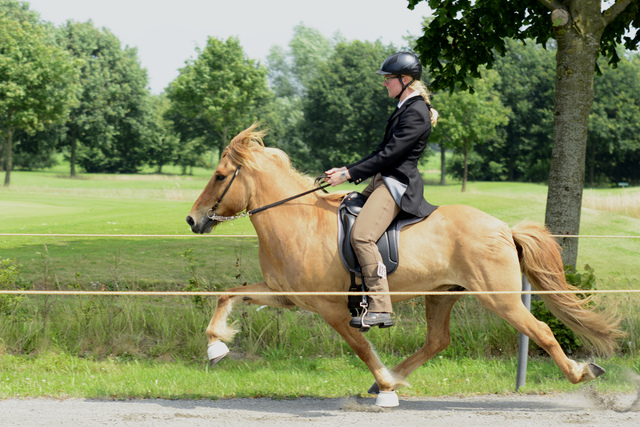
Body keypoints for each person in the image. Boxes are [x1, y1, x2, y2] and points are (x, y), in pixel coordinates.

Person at [324, 51, 439, 329]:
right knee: (343, 211)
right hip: (381, 179)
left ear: (406, 79)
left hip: (397, 184)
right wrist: (346, 170)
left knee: (362, 237)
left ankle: (380, 306)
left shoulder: (416, 112)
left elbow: (390, 156)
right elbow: (380, 152)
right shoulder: (404, 107)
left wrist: (348, 174)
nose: (385, 83)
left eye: (389, 79)